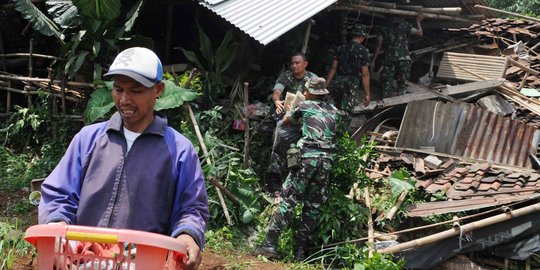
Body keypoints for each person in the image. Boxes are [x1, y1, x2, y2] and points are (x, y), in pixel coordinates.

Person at [38, 47, 209, 270]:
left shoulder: (179, 151)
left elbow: (192, 209)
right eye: (118, 89)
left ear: (158, 90)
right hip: (82, 261)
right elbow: (58, 194)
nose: (125, 99)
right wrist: (58, 224)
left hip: (145, 263)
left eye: (136, 91)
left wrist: (188, 235)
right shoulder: (88, 140)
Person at [255, 77, 340, 261]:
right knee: (313, 206)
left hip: (308, 159)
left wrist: (292, 112)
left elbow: (286, 121)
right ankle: (300, 253)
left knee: (288, 199)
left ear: (309, 92)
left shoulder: (304, 106)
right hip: (326, 162)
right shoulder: (334, 110)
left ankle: (269, 244)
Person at [266, 52, 319, 193]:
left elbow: (319, 98)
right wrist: (277, 101)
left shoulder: (312, 79)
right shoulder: (286, 76)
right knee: (279, 142)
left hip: (306, 118)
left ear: (305, 64)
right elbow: (277, 91)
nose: (294, 66)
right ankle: (274, 177)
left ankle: (296, 178)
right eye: (292, 63)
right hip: (287, 117)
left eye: (297, 63)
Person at [372, 15, 424, 98]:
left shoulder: (384, 27)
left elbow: (379, 45)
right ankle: (401, 97)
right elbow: (419, 33)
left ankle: (386, 98)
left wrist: (373, 60)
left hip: (390, 58)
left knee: (387, 80)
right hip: (404, 58)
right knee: (403, 81)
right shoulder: (405, 25)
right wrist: (418, 21)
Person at [326, 24, 371, 113]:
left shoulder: (341, 48)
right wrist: (367, 94)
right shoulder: (364, 51)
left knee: (335, 108)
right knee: (346, 113)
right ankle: (342, 127)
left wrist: (326, 84)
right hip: (352, 84)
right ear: (362, 37)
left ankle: (333, 125)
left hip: (339, 82)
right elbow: (365, 74)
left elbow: (333, 68)